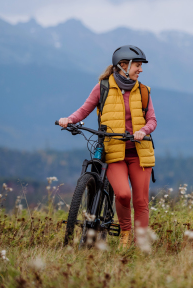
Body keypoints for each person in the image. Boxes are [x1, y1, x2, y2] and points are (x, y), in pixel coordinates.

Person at [58, 45, 156, 248]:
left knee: (140, 201)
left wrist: (144, 131)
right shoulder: (102, 87)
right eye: (137, 65)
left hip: (139, 152)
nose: (141, 69)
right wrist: (69, 119)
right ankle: (126, 234)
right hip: (114, 151)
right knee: (122, 194)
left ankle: (141, 243)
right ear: (123, 65)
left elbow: (152, 120)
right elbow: (84, 109)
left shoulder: (144, 91)